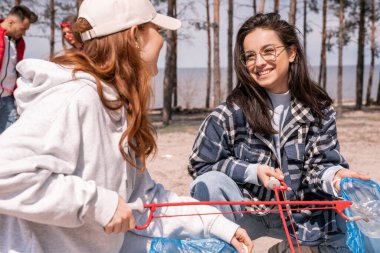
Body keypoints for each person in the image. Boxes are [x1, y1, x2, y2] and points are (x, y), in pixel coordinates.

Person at [0, 0, 253, 253]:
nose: (162, 41)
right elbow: (6, 172)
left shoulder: (114, 105)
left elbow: (147, 200)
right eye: (158, 31)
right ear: (134, 36)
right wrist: (99, 205)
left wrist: (217, 224)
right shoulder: (74, 97)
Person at [188, 13, 370, 252]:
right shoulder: (228, 114)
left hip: (301, 220)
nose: (259, 62)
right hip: (246, 217)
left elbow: (320, 166)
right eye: (250, 56)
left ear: (292, 52)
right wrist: (252, 172)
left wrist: (335, 178)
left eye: (268, 51)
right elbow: (200, 166)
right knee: (209, 182)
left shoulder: (318, 110)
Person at [0, 5, 37, 134]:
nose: (24, 33)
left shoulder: (19, 43)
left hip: (7, 99)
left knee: (10, 137)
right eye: (23, 29)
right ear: (11, 22)